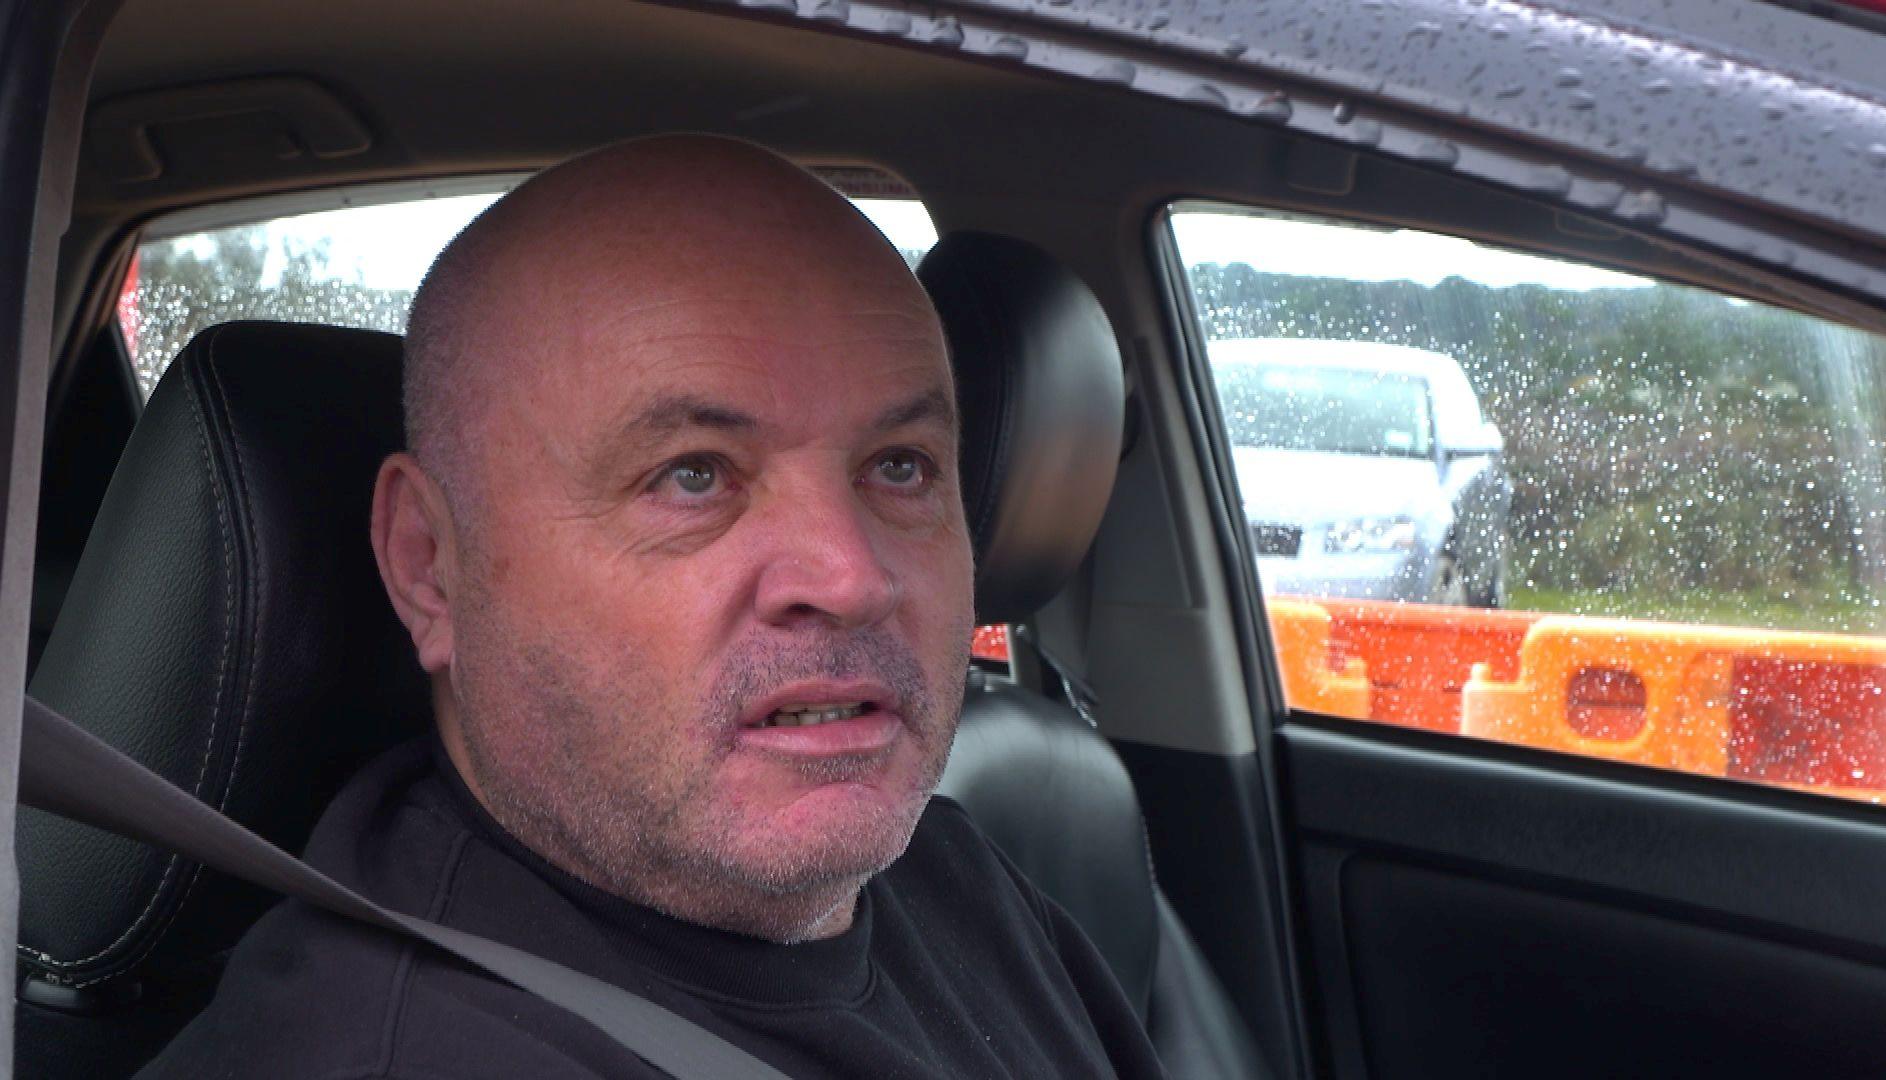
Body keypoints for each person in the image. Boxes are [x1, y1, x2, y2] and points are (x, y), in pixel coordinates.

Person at [137, 135, 1166, 1078]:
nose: (852, 576)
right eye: (691, 476)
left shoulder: (954, 874)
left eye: (900, 467)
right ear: (429, 568)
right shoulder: (398, 1050)